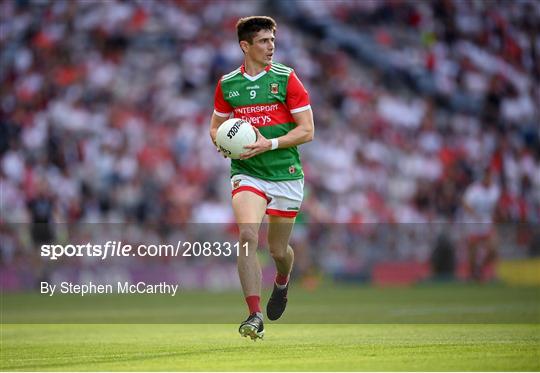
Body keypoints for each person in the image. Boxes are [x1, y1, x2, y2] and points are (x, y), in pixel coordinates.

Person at [209, 16, 314, 340]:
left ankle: (282, 281)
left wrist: (268, 143)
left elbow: (307, 130)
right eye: (264, 41)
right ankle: (254, 314)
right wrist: (220, 143)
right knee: (247, 237)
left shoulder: (286, 78)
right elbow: (216, 126)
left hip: (285, 172)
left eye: (272, 41)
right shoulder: (228, 84)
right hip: (248, 172)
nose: (271, 46)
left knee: (278, 251)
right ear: (245, 46)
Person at [462, 169, 501, 281]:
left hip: (487, 224)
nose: (489, 179)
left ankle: (481, 268)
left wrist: (497, 214)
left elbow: (495, 206)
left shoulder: (495, 190)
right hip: (474, 224)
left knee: (493, 249)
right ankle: (473, 274)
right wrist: (475, 215)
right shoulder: (474, 189)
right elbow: (465, 203)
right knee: (472, 252)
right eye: (487, 177)